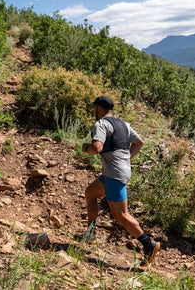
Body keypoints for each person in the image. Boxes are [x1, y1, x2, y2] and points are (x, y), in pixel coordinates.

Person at [74, 95, 160, 267]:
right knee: (90, 193)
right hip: (116, 172)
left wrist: (85, 148)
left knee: (121, 215)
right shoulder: (124, 124)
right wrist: (127, 158)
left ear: (99, 108)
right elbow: (139, 142)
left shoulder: (101, 124)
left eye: (94, 108)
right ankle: (90, 233)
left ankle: (148, 244)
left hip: (114, 174)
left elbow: (96, 148)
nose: (94, 111)